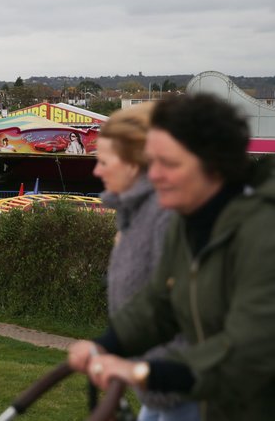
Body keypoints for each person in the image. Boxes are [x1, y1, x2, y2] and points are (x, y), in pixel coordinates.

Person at [68, 94, 275, 421]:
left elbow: (249, 353)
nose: (156, 175)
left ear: (215, 165)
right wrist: (107, 344)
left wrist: (143, 371)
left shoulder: (263, 232)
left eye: (170, 164)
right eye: (153, 162)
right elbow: (159, 301)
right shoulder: (188, 218)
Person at [93, 102, 198, 420]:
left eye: (103, 161)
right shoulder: (134, 215)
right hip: (160, 388)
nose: (96, 171)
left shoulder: (167, 216)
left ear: (135, 164)